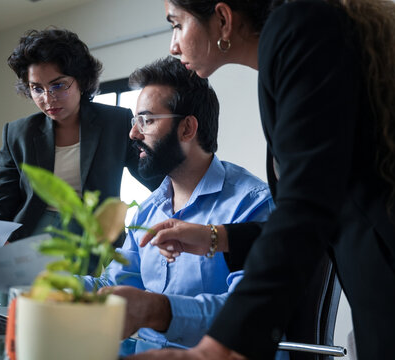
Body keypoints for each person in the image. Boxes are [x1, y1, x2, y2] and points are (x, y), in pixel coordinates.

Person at [130, 0, 395, 359]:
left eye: (176, 24)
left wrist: (219, 347)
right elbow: (318, 201)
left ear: (223, 18)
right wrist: (216, 237)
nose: (174, 44)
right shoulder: (291, 43)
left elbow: (307, 205)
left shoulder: (296, 32)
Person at [0, 29, 161, 302]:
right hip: (22, 242)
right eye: (37, 89)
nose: (48, 98)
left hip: (85, 241)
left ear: (80, 80)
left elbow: (158, 181)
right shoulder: (19, 132)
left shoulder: (115, 122)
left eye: (58, 85)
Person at [81, 56, 274, 350]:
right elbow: (114, 286)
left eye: (146, 120)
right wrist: (40, 281)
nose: (133, 133)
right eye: (135, 122)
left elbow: (246, 313)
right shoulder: (148, 209)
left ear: (187, 129)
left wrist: (156, 309)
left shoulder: (252, 204)